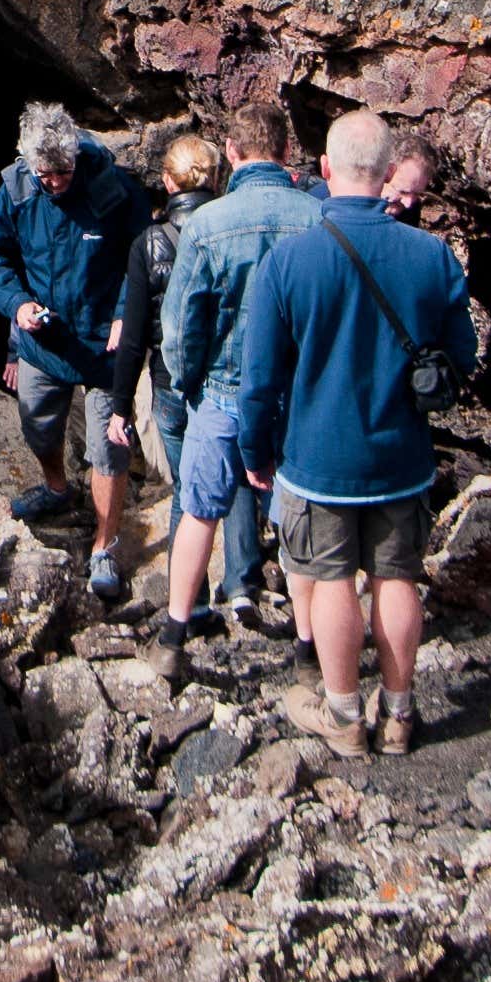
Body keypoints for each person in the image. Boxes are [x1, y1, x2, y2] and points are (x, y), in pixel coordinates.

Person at [233, 109, 475, 758]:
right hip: (403, 454)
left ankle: (343, 716)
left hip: (317, 457)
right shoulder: (432, 256)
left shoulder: (290, 261)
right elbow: (463, 355)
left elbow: (258, 379)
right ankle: (398, 714)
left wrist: (254, 452)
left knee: (333, 579)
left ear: (327, 170)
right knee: (397, 578)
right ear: (389, 171)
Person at [0, 102, 155, 599]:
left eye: (62, 172)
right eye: (44, 174)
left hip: (104, 343)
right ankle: (57, 487)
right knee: (38, 425)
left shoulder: (111, 189)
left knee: (108, 450)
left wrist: (125, 311)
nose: (53, 182)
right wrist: (17, 305)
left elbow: (143, 257)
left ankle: (104, 544)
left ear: (76, 158)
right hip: (44, 339)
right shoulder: (15, 191)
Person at [152, 106, 310, 643]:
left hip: (221, 391)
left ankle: (174, 633)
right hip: (296, 397)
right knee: (300, 517)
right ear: (287, 153)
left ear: (233, 154)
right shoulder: (317, 218)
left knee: (198, 510)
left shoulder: (206, 223)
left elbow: (179, 328)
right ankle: (312, 647)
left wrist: (189, 384)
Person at [113, 135, 223, 551]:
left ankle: (188, 600)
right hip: (227, 378)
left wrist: (120, 407)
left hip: (170, 378)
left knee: (187, 491)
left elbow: (133, 334)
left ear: (167, 181)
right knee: (241, 484)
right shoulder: (231, 228)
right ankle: (242, 581)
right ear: (214, 178)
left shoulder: (150, 243)